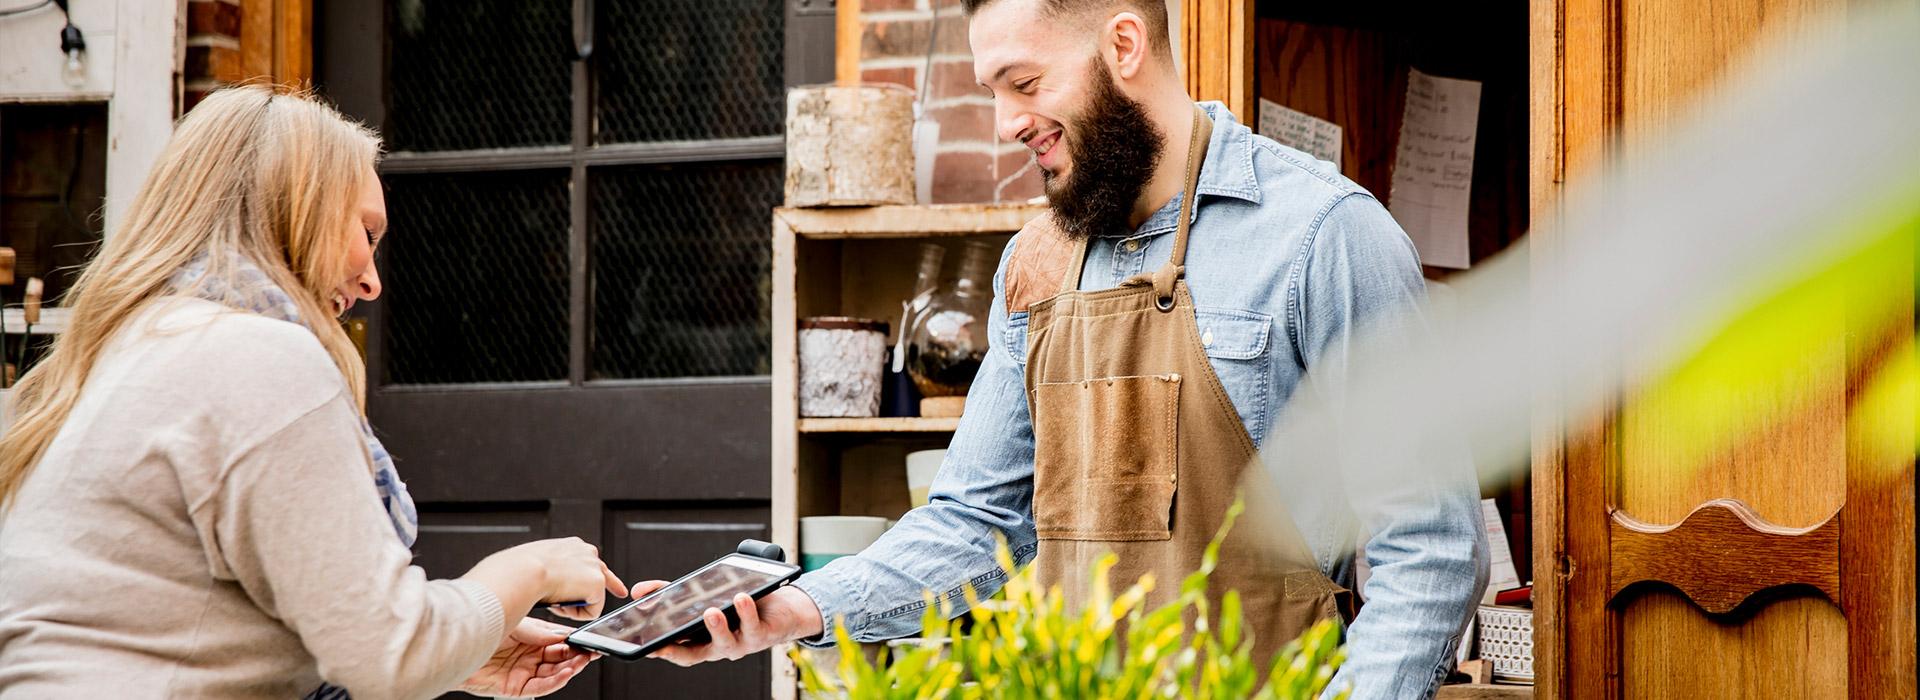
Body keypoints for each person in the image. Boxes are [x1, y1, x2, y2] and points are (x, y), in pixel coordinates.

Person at [654, 1, 1489, 697]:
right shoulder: (1035, 261)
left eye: (1025, 83)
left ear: (1123, 44)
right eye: (992, 92)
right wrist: (794, 608)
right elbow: (978, 524)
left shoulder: (1324, 237)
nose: (1009, 122)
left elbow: (1432, 550)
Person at [0, 86, 627, 700]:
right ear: (297, 206)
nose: (373, 281)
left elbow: (171, 621)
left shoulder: (109, 361)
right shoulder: (256, 356)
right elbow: (393, 655)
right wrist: (532, 569)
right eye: (368, 232)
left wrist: (459, 651)